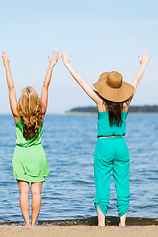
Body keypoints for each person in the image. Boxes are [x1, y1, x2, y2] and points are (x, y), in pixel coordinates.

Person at [61, 50, 151, 226]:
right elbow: (136, 82)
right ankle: (122, 223)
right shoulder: (126, 102)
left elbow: (82, 83)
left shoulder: (101, 103)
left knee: (102, 183)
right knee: (123, 184)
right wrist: (144, 64)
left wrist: (68, 65)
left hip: (104, 145)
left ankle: (101, 223)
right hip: (121, 145)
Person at [2, 51, 59, 226]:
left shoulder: (17, 114)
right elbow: (45, 86)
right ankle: (34, 223)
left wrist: (7, 66)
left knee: (23, 192)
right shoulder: (40, 113)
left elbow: (10, 88)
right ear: (36, 101)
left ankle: (26, 223)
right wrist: (51, 66)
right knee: (37, 193)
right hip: (37, 154)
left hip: (21, 154)